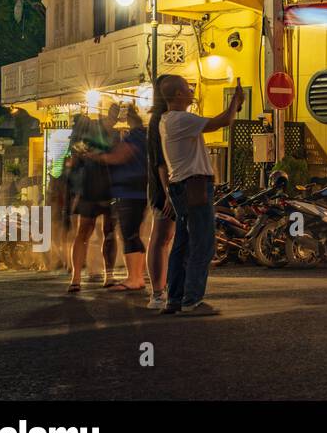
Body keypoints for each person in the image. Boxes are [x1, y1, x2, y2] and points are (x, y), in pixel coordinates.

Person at [158, 74, 244, 316]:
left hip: (180, 185)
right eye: (187, 88)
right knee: (203, 244)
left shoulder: (166, 120)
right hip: (194, 186)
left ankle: (175, 298)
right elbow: (223, 121)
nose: (191, 91)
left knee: (182, 243)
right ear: (177, 95)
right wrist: (235, 102)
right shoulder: (181, 119)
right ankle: (192, 299)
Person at [89, 104, 149, 292]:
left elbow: (119, 157)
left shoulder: (135, 136)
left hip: (129, 192)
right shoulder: (143, 135)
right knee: (133, 234)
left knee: (129, 234)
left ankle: (134, 278)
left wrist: (98, 157)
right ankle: (137, 276)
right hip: (138, 190)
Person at [65, 112, 118, 292]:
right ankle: (107, 275)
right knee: (106, 233)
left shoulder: (79, 143)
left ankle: (76, 278)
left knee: (84, 233)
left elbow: (72, 166)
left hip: (89, 189)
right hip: (105, 189)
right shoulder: (110, 138)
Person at [144, 77, 174, 309]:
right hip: (164, 187)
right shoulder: (158, 121)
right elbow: (160, 163)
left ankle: (165, 289)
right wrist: (167, 192)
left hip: (172, 186)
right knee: (161, 237)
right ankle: (157, 291)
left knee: (167, 238)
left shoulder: (168, 119)